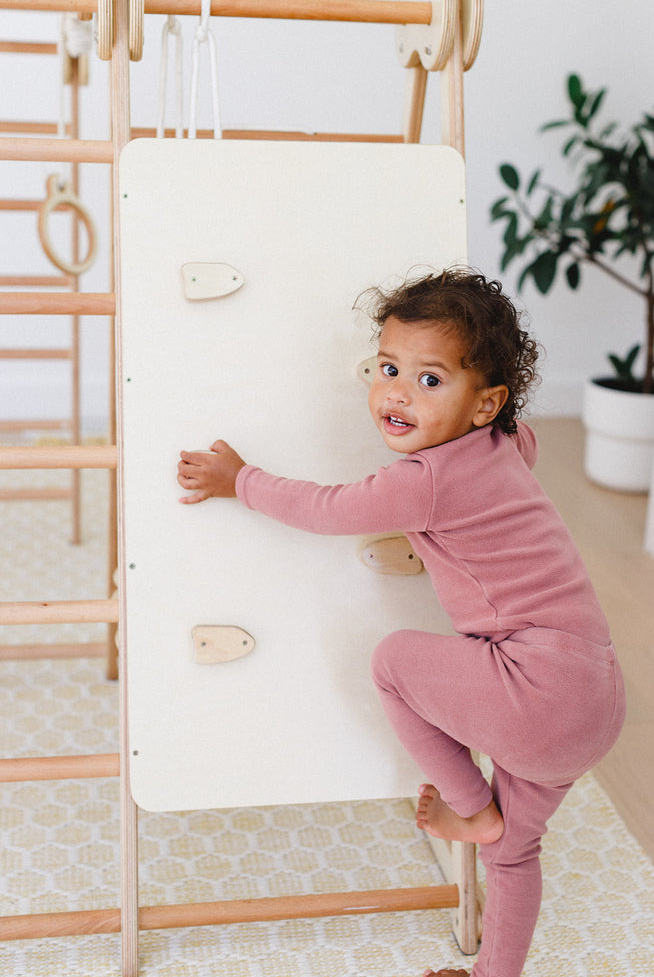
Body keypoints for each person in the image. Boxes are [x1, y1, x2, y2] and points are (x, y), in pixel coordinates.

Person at [177, 267, 626, 977]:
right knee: (516, 854)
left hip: (536, 684)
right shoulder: (512, 447)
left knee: (391, 661)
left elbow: (329, 509)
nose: (395, 392)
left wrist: (242, 481)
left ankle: (469, 807)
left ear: (485, 405)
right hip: (595, 697)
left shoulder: (424, 481)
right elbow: (519, 444)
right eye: (387, 368)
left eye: (428, 380)